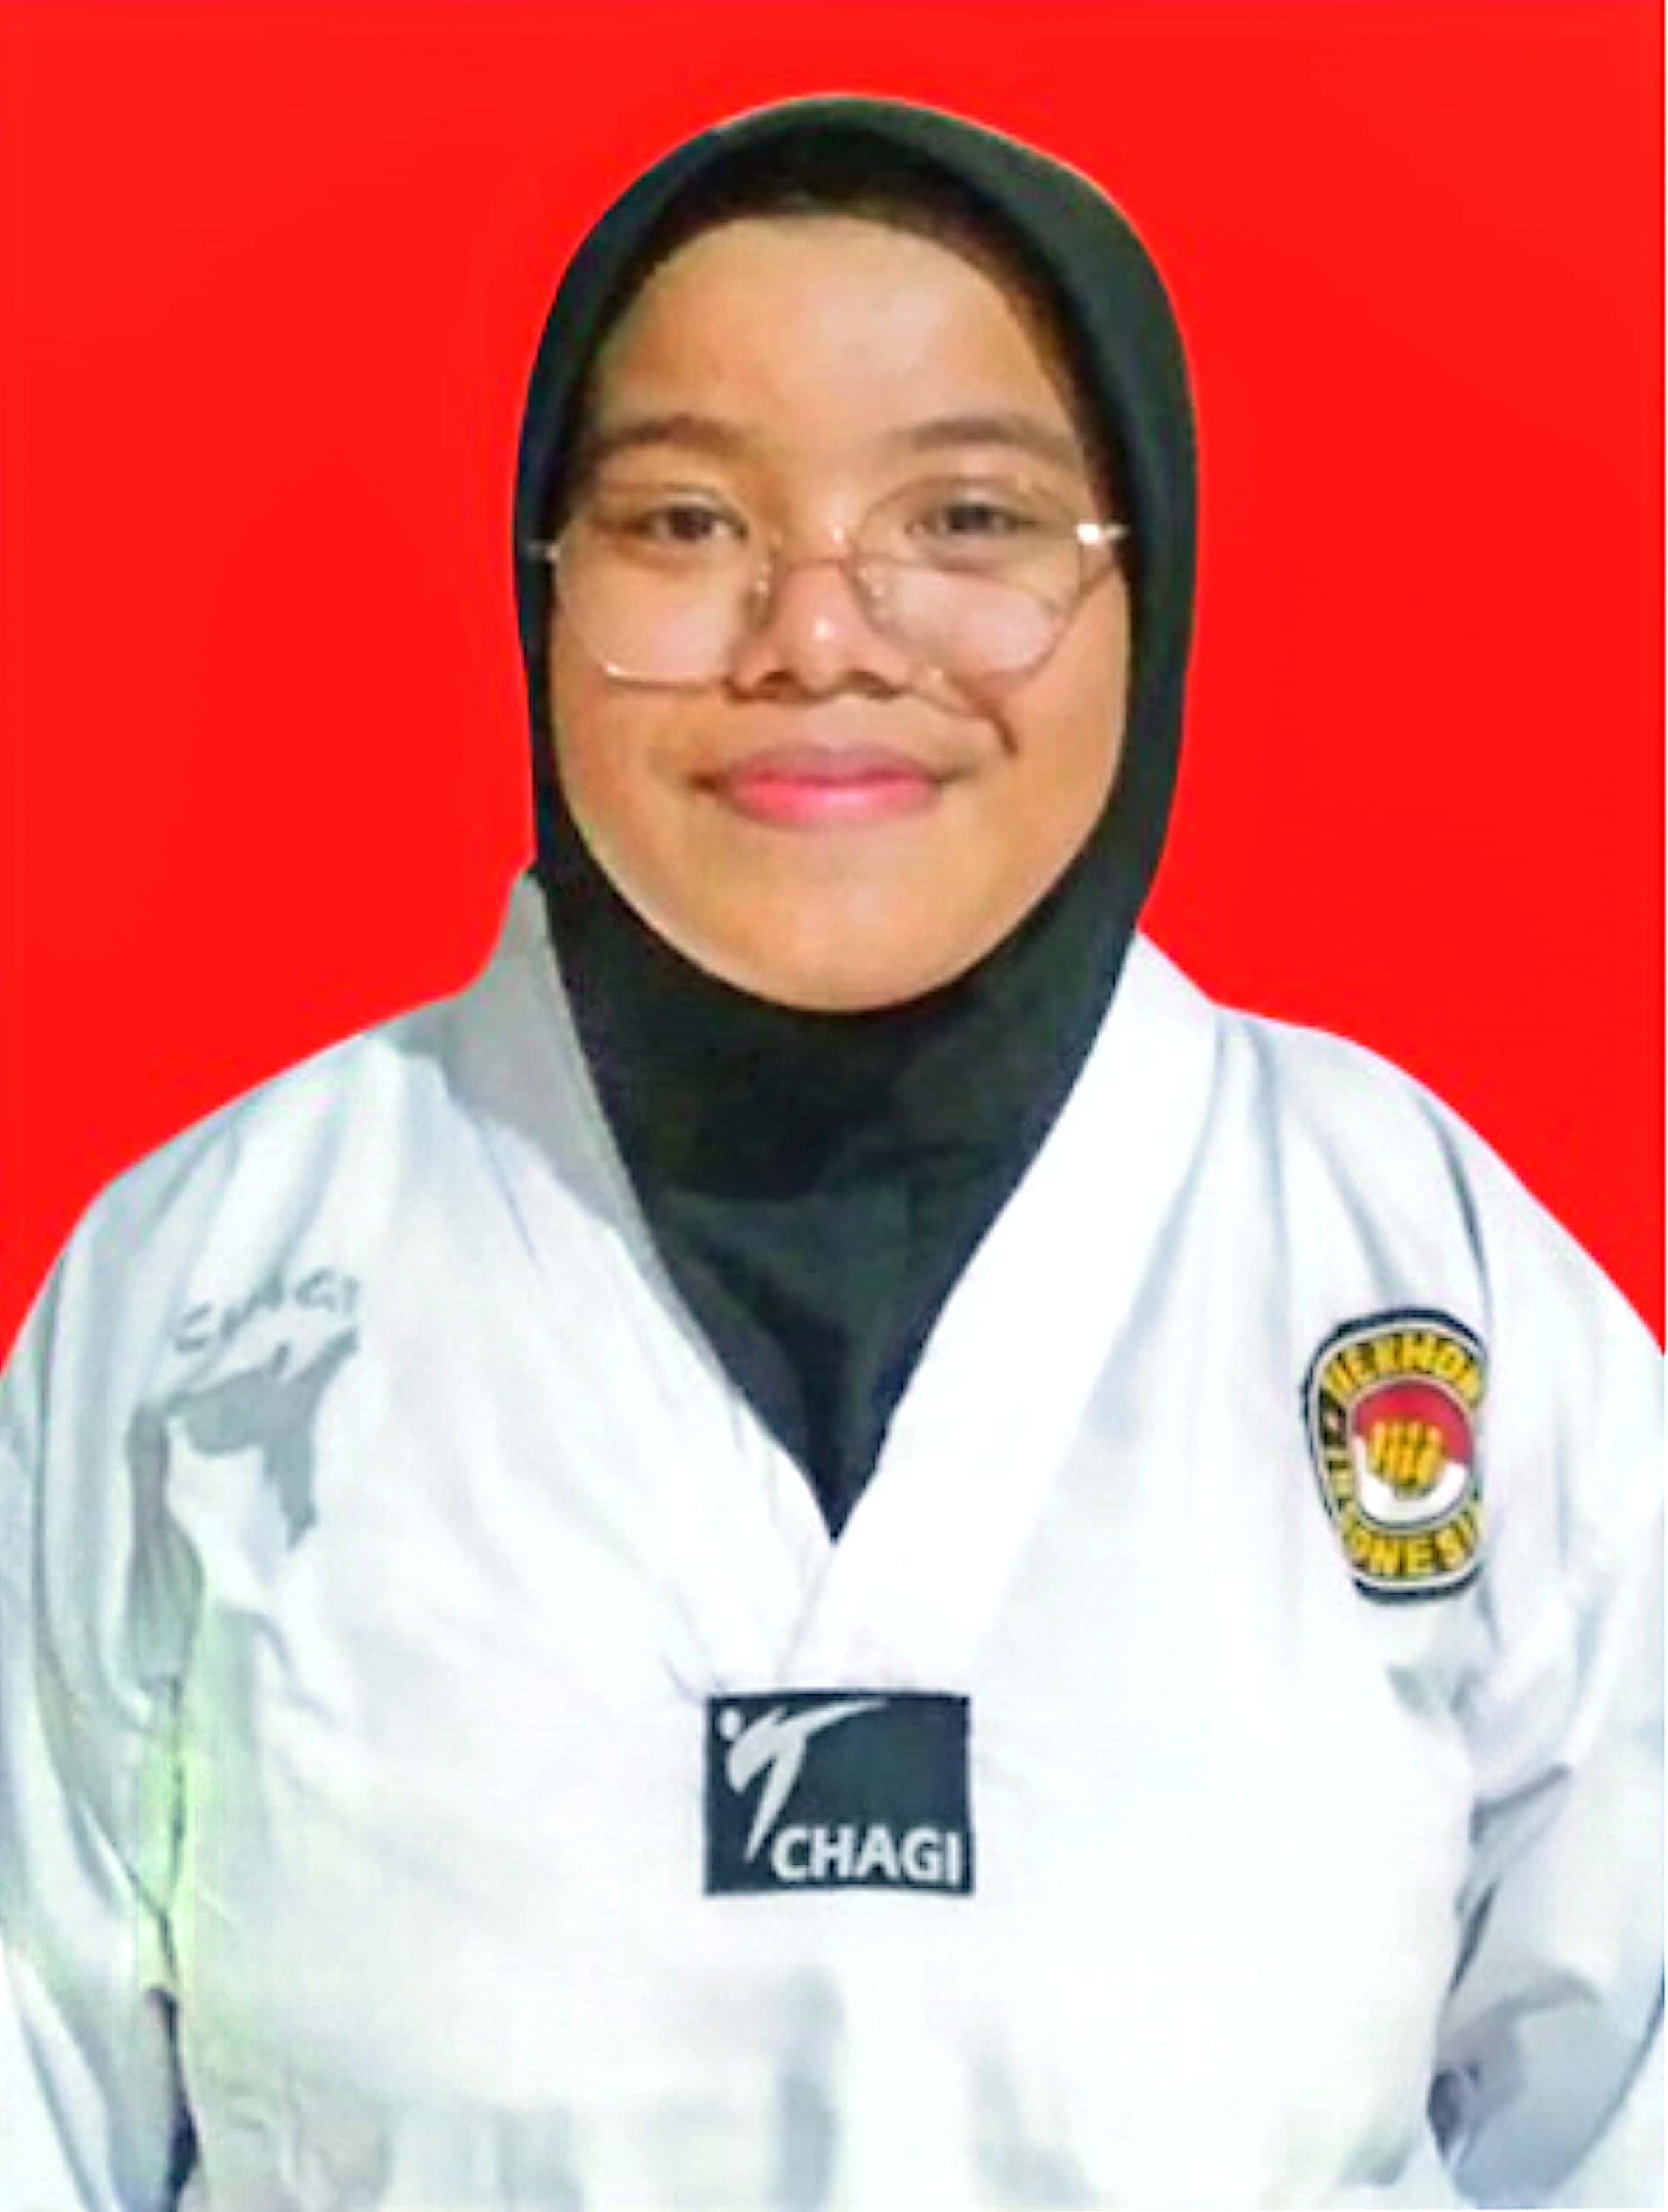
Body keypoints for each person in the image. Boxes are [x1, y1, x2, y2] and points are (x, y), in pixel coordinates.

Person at [0, 94, 1658, 2212]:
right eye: (687, 522)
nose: (817, 635)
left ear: (1146, 578)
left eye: (967, 518)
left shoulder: (1421, 1284)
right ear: (541, 583)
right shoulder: (216, 1302)